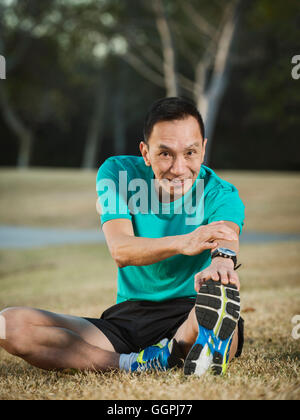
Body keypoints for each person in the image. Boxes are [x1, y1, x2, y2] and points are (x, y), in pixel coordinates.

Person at [0, 97, 245, 377]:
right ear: (146, 152)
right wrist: (184, 241)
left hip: (190, 307)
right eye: (165, 153)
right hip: (128, 318)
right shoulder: (119, 174)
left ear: (203, 149)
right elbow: (122, 251)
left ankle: (193, 341)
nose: (179, 168)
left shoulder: (222, 193)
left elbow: (226, 235)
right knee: (10, 325)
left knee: (214, 302)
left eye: (190, 152)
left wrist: (222, 262)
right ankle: (135, 363)